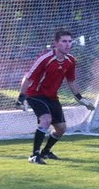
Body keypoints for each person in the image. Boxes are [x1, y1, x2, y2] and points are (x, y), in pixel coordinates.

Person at [18, 29, 92, 164]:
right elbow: (27, 78)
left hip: (52, 97)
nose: (68, 44)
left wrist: (81, 98)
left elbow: (71, 81)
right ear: (56, 43)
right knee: (46, 120)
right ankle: (34, 156)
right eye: (64, 41)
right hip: (35, 94)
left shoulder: (71, 60)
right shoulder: (45, 59)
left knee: (61, 128)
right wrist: (21, 97)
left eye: (70, 41)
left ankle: (46, 152)